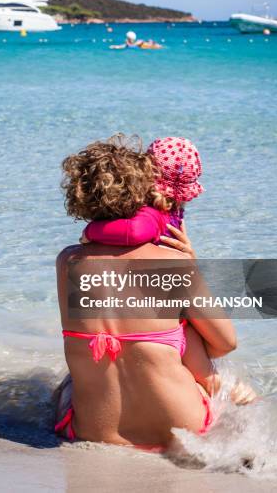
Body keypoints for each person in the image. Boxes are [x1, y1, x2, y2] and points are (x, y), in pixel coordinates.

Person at [54, 136, 242, 449]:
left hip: (90, 432)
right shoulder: (175, 263)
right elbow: (226, 343)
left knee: (66, 383)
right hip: (182, 434)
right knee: (183, 336)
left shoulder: (68, 262)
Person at [80, 136, 220, 397]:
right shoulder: (173, 209)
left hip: (161, 306)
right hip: (175, 304)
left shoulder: (150, 215)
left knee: (207, 378)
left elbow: (133, 232)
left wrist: (92, 230)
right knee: (207, 376)